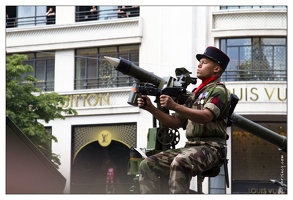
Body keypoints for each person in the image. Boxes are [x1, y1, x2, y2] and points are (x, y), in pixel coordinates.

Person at [137, 46, 231, 194]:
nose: (199, 65)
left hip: (211, 148)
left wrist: (174, 105)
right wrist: (151, 108)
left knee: (181, 161)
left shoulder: (219, 91)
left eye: (204, 62)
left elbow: (206, 116)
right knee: (147, 164)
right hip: (191, 146)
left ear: (216, 69)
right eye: (200, 62)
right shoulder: (196, 93)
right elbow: (176, 122)